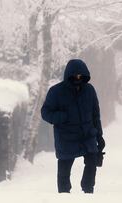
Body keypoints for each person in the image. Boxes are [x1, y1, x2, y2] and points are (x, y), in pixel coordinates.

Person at [41, 59, 105, 194]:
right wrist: (61, 117)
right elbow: (45, 112)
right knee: (64, 170)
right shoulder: (56, 92)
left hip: (87, 135)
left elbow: (95, 115)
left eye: (81, 76)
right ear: (68, 75)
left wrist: (100, 137)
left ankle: (88, 190)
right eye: (75, 75)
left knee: (92, 161)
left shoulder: (89, 90)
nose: (78, 78)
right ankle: (64, 196)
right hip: (66, 137)